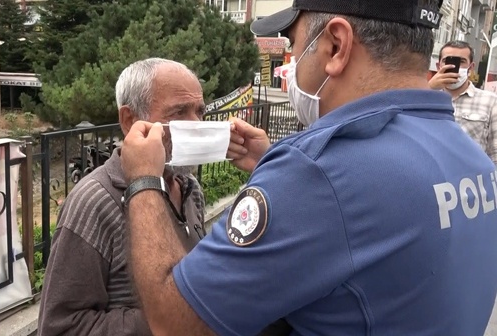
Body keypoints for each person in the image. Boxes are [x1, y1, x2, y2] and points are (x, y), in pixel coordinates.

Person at [118, 0, 497, 335]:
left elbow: (175, 321)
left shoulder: (319, 171)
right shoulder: (472, 158)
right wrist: (273, 165)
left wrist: (144, 179)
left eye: (295, 46)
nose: (293, 63)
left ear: (336, 45)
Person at [36, 58, 208, 336]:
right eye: (178, 113)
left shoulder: (189, 187)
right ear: (130, 120)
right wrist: (171, 317)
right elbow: (59, 327)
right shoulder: (94, 202)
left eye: (199, 111)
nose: (196, 125)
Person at [429, 40, 497, 164]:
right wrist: (428, 90)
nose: (454, 67)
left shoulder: (491, 102)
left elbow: (495, 153)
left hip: (472, 177)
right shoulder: (427, 99)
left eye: (461, 62)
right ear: (439, 66)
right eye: (448, 61)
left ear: (471, 67)